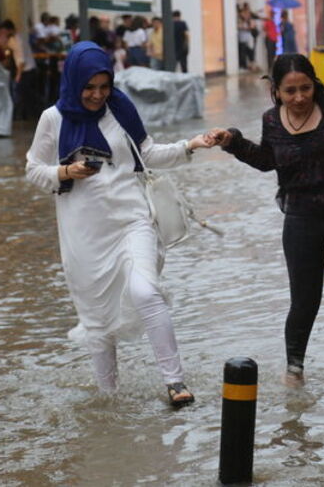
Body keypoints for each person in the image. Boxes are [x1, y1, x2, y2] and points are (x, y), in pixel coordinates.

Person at [25, 42, 214, 406]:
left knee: (145, 291)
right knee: (97, 323)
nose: (97, 95)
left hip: (133, 220)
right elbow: (33, 169)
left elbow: (147, 154)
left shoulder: (120, 107)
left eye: (104, 86)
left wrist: (191, 145)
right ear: (74, 81)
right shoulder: (53, 118)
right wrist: (66, 171)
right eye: (89, 87)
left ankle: (175, 382)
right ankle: (108, 400)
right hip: (84, 235)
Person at [207, 53, 324, 403]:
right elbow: (267, 161)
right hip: (301, 219)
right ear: (276, 91)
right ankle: (294, 372)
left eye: (305, 88)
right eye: (290, 91)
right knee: (305, 302)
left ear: (314, 83)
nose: (299, 97)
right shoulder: (271, 121)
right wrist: (232, 140)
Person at [237, 4, 257, 71]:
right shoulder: (240, 19)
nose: (246, 15)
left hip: (249, 39)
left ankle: (251, 65)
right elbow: (239, 26)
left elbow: (253, 26)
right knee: (242, 52)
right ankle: (243, 66)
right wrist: (246, 27)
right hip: (242, 39)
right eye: (245, 13)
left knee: (250, 52)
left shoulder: (250, 20)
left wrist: (248, 26)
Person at [263, 8, 279, 72]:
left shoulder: (274, 22)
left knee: (273, 53)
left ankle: (272, 66)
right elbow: (264, 28)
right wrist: (268, 33)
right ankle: (270, 67)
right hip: (270, 39)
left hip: (274, 39)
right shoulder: (268, 21)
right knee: (270, 53)